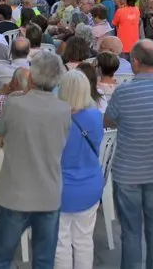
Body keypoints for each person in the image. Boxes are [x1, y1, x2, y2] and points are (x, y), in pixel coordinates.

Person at [0, 51, 71, 268]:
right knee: (44, 261)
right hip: (49, 193)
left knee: (0, 258)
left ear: (32, 77)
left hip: (16, 193)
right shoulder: (64, 109)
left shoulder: (15, 104)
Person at [105, 40, 153, 269]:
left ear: (135, 62)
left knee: (131, 232)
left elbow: (108, 120)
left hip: (129, 172)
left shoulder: (124, 91)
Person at [53, 70, 105, 269]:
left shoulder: (55, 119)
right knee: (84, 241)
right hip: (90, 184)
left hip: (61, 187)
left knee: (60, 243)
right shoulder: (95, 116)